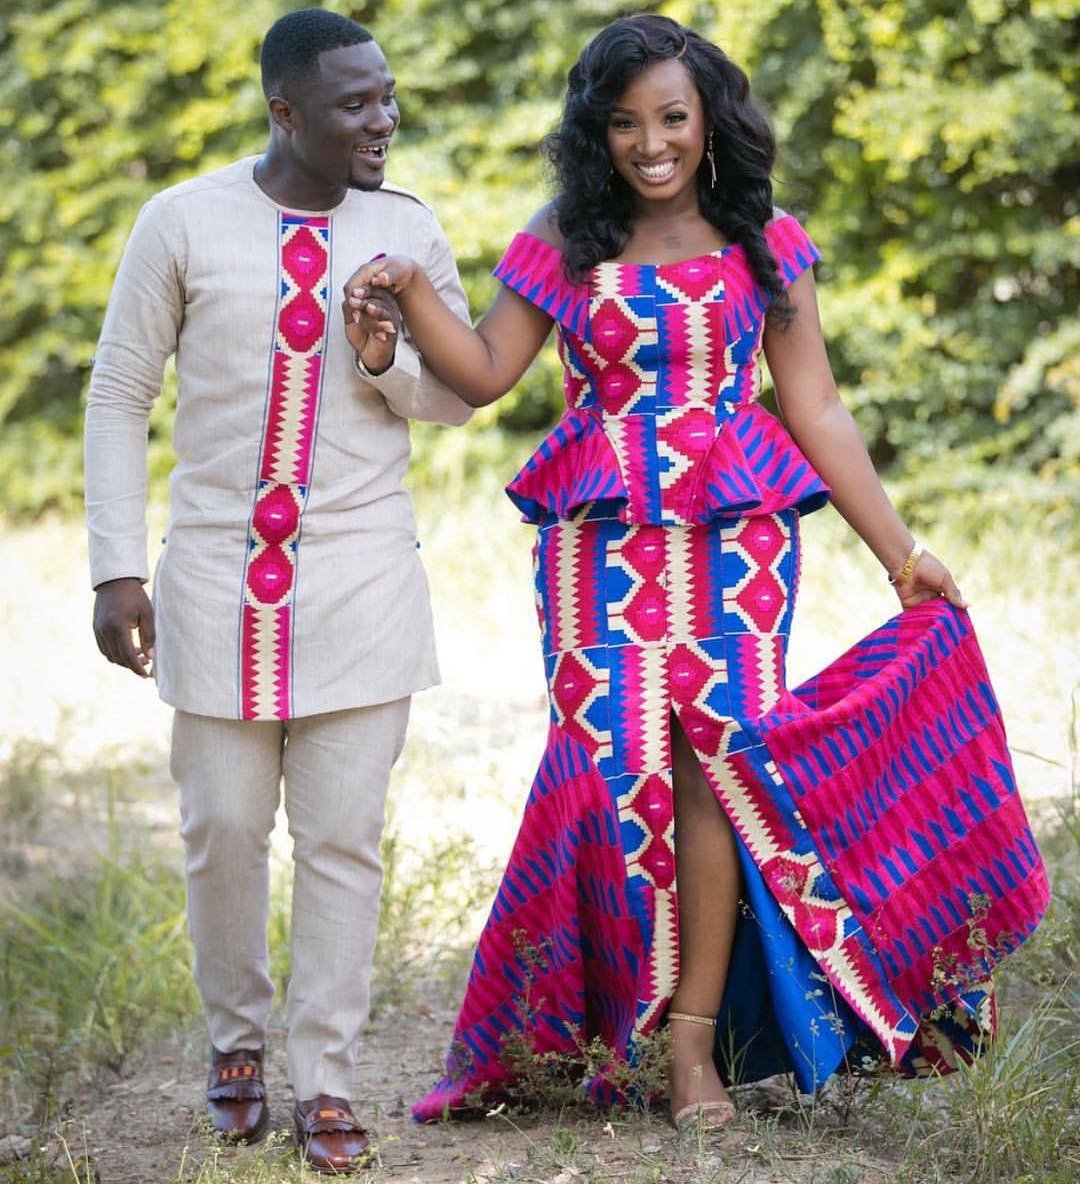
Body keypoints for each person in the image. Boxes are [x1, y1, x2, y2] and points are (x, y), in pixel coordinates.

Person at [348, 13, 1049, 1129]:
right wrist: (405, 299)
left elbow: (813, 403)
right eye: (623, 122)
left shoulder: (765, 239)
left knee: (721, 774)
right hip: (597, 543)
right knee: (613, 767)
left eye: (671, 118)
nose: (650, 143)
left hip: (737, 541)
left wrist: (901, 552)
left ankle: (690, 1052)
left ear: (710, 121)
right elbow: (482, 372)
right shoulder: (563, 237)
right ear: (597, 132)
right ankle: (602, 1024)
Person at [83, 8, 472, 1173]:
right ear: (285, 111)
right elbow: (117, 394)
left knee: (347, 840)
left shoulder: (407, 231)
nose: (383, 119)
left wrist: (380, 356)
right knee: (224, 832)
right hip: (211, 583)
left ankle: (328, 1077)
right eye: (356, 102)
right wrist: (113, 565)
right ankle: (237, 1045)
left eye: (389, 96)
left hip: (363, 583)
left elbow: (455, 399)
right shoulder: (183, 221)